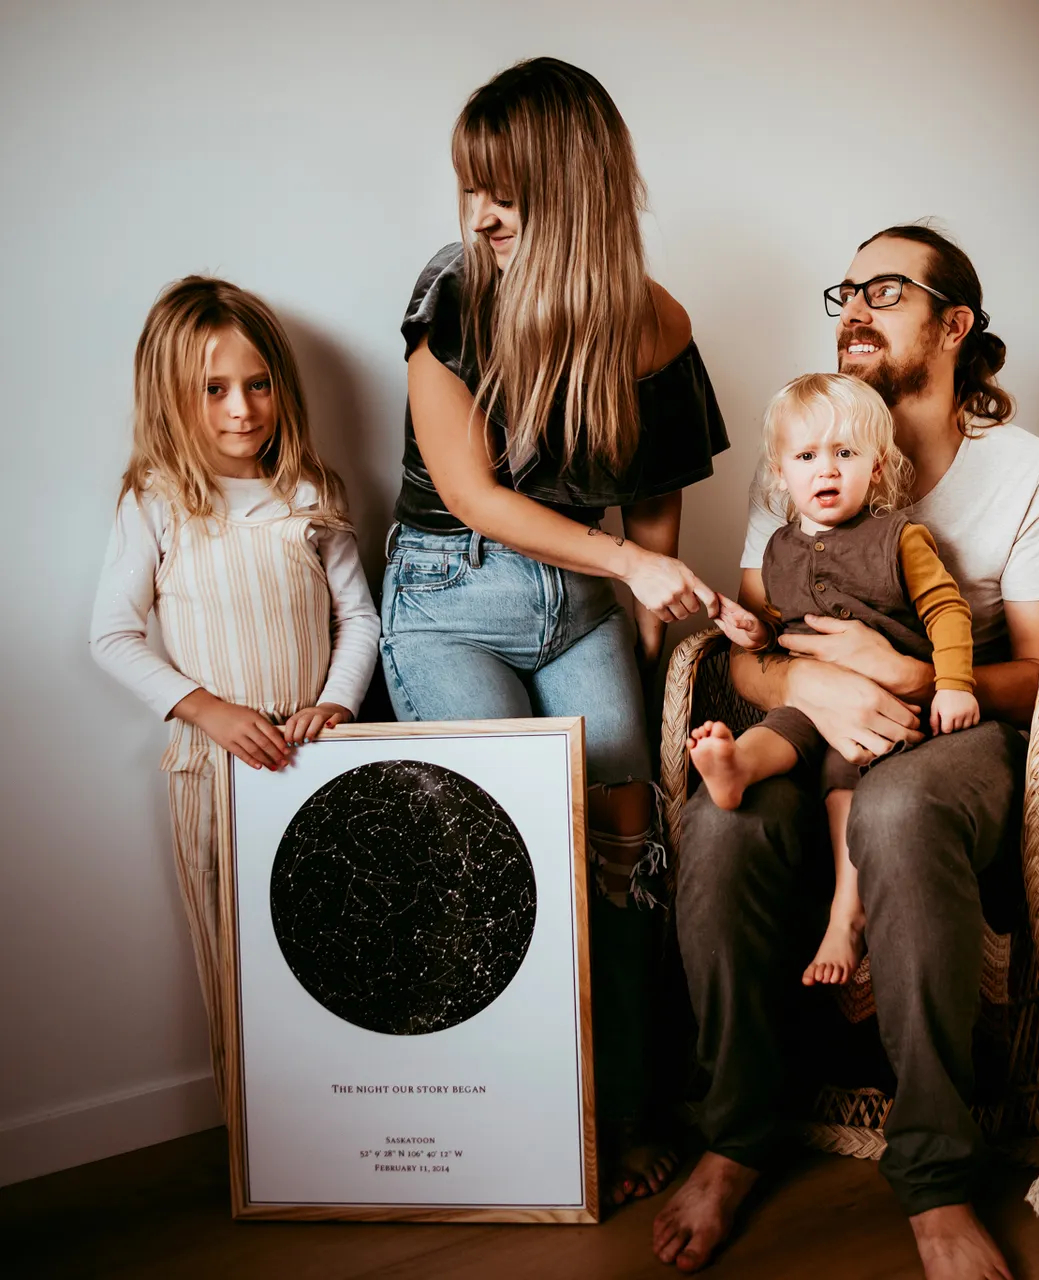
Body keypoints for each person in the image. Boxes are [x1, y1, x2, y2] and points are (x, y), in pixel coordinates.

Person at [654, 225, 1039, 1280]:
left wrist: (908, 677)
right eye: (844, 289)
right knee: (722, 820)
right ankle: (734, 1134)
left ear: (953, 324)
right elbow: (749, 646)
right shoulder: (803, 454)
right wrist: (807, 684)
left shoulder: (1030, 473)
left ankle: (935, 1174)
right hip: (813, 722)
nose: (852, 306)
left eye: (884, 290)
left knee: (897, 812)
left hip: (955, 734)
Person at [379, 57, 729, 1203]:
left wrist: (649, 618)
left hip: (580, 610)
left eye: (506, 191)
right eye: (471, 188)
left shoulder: (655, 321)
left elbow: (657, 488)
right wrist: (628, 561)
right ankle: (517, 1128)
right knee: (505, 852)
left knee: (626, 856)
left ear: (571, 190)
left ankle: (620, 1113)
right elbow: (473, 494)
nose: (480, 214)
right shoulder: (451, 295)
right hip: (450, 597)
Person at [89, 276, 380, 1110]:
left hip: (318, 763)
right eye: (213, 389)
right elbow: (111, 635)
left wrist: (337, 703)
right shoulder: (156, 502)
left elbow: (359, 619)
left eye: (257, 385)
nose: (241, 410)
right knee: (235, 954)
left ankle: (347, 1122)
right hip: (212, 775)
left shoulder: (312, 494)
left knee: (333, 944)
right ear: (172, 396)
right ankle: (252, 1139)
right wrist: (208, 711)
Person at [689, 371, 979, 989]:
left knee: (844, 781)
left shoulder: (900, 539)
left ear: (877, 467)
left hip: (884, 705)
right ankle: (735, 768)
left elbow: (948, 610)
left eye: (845, 453)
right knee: (780, 728)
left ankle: (846, 915)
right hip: (813, 697)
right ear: (779, 472)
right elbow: (778, 628)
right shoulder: (777, 551)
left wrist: (955, 683)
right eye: (807, 457)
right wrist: (754, 631)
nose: (826, 470)